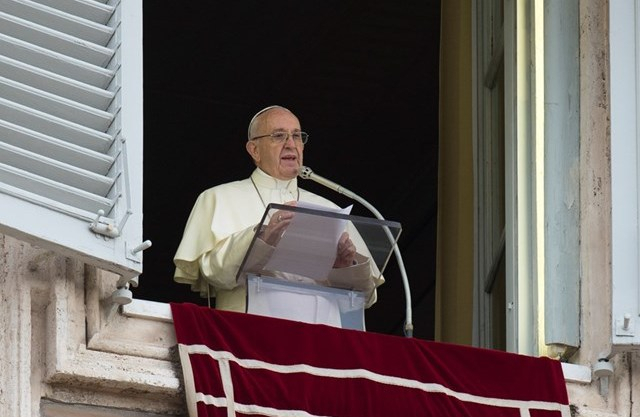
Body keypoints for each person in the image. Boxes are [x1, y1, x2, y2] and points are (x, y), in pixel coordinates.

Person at [173, 105, 384, 321]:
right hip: (249, 337)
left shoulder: (330, 209)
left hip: (321, 342)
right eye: (279, 135)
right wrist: (262, 238)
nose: (291, 144)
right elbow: (213, 273)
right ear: (254, 149)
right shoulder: (218, 197)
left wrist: (343, 266)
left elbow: (365, 297)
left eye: (297, 136)